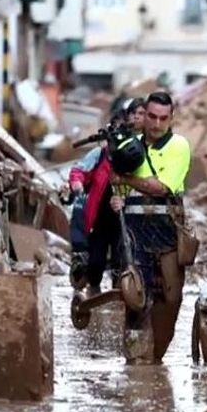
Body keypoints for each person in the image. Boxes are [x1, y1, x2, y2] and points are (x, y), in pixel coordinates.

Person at [110, 91, 191, 364]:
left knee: (171, 296)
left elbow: (161, 187)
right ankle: (136, 360)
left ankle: (156, 357)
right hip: (133, 228)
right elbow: (116, 184)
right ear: (143, 115)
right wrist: (117, 195)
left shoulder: (179, 146)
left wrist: (126, 179)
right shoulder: (129, 147)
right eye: (152, 117)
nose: (157, 124)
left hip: (167, 227)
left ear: (171, 118)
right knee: (134, 295)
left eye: (163, 118)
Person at [68, 98, 145, 294]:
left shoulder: (136, 156)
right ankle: (93, 293)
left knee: (122, 262)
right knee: (96, 262)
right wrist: (76, 182)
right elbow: (80, 171)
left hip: (125, 219)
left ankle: (121, 298)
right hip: (100, 219)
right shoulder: (99, 155)